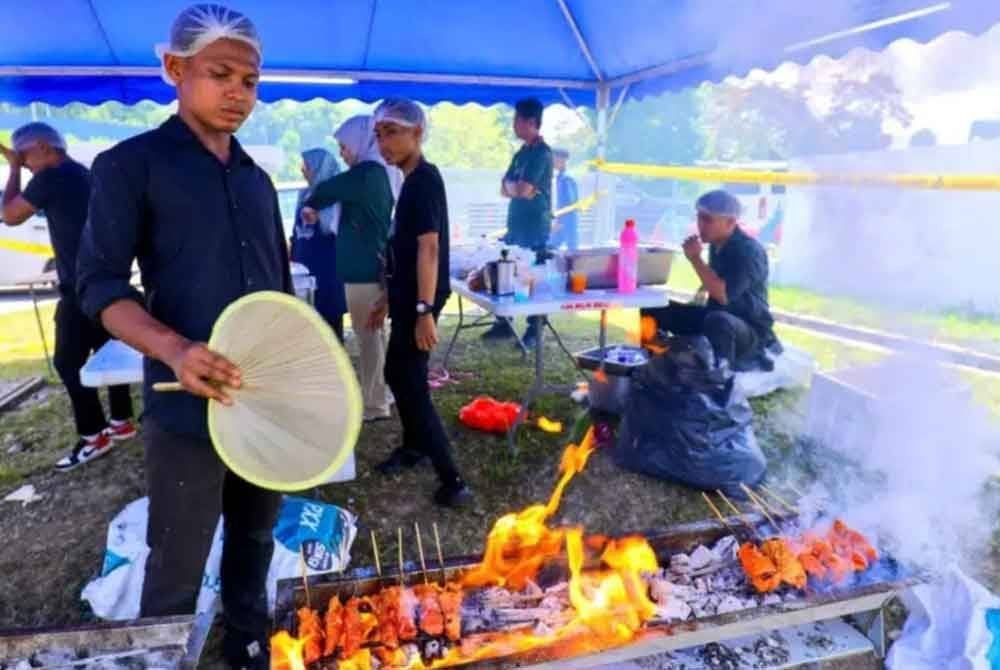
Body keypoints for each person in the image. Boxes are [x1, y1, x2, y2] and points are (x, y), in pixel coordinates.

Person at [75, 5, 289, 667]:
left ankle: (247, 643)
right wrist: (173, 348)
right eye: (219, 74)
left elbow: (279, 289)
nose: (237, 92)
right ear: (174, 69)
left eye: (249, 80)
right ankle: (162, 655)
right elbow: (99, 286)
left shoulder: (256, 179)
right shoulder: (130, 165)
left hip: (264, 398)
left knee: (255, 537)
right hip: (186, 402)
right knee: (179, 552)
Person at [0, 123, 136, 471]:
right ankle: (121, 421)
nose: (25, 164)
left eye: (25, 156)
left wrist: (12, 169)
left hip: (79, 290)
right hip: (106, 283)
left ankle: (94, 435)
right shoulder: (82, 174)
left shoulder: (52, 177)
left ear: (44, 147)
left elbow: (10, 215)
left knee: (67, 362)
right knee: (108, 353)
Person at [367, 98, 472, 508]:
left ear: (417, 133)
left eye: (392, 132)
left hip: (421, 300)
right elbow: (404, 252)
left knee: (409, 382)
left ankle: (453, 480)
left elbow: (429, 249)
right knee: (399, 373)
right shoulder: (410, 182)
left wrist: (423, 313)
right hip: (408, 296)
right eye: (378, 135)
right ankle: (413, 446)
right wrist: (387, 299)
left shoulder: (424, 180)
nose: (384, 143)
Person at [301, 116, 400, 423]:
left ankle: (374, 404)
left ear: (359, 142)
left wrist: (312, 202)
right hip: (371, 266)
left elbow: (326, 188)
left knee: (368, 337)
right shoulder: (377, 173)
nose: (342, 153)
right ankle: (382, 392)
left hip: (363, 269)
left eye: (344, 147)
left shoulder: (365, 174)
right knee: (376, 336)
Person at [641, 190, 782, 372]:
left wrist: (695, 259)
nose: (700, 225)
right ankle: (652, 365)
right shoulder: (717, 245)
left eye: (708, 220)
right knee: (652, 307)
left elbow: (723, 295)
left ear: (730, 222)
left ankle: (720, 379)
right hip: (715, 316)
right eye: (699, 218)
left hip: (748, 329)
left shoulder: (748, 251)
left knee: (719, 320)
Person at [481, 97, 553, 347]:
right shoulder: (522, 153)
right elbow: (506, 188)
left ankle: (535, 329)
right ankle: (504, 323)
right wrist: (517, 188)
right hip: (516, 223)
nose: (514, 125)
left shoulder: (542, 154)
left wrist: (518, 188)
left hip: (535, 224)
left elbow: (524, 189)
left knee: (533, 275)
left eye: (517, 120)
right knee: (507, 272)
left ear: (531, 122)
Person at [290, 148, 348, 341]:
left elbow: (337, 231)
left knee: (330, 328)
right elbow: (296, 232)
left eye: (307, 166)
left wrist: (321, 217)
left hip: (328, 273)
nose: (303, 170)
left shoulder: (337, 197)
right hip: (303, 272)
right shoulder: (304, 194)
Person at [549, 147, 580, 251]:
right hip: (564, 220)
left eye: (553, 159)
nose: (551, 162)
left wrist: (559, 221)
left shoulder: (566, 179)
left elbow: (569, 203)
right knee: (550, 246)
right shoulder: (561, 177)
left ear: (561, 160)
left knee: (572, 250)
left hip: (567, 221)